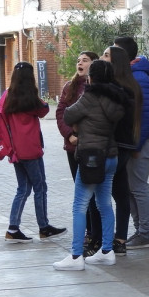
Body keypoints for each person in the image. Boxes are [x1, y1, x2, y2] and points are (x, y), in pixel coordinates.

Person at [54, 59, 127, 270]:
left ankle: (76, 256)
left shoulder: (89, 97)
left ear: (91, 77)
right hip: (111, 155)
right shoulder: (116, 98)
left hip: (91, 158)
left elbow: (68, 115)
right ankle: (106, 251)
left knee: (80, 204)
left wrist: (80, 124)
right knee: (104, 202)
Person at [1, 61, 66, 243]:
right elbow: (44, 110)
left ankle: (13, 228)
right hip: (31, 149)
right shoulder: (31, 98)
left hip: (15, 150)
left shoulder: (7, 96)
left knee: (23, 188)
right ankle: (44, 227)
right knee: (40, 188)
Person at [114, 36, 149, 249]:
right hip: (132, 143)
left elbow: (145, 115)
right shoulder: (128, 76)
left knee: (138, 187)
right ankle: (139, 229)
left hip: (140, 142)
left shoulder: (139, 78)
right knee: (130, 188)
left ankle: (145, 233)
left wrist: (137, 146)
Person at [56, 51, 101, 251]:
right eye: (78, 60)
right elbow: (60, 113)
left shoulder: (98, 87)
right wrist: (69, 135)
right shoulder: (69, 86)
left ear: (94, 64)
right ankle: (87, 231)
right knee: (80, 190)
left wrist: (81, 133)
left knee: (93, 193)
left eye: (85, 60)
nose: (80, 63)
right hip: (72, 146)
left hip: (90, 146)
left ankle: (94, 234)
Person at [104, 45, 142, 253]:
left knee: (104, 194)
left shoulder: (116, 87)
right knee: (120, 193)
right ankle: (120, 239)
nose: (102, 58)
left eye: (106, 55)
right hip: (125, 144)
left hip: (114, 144)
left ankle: (109, 239)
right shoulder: (130, 85)